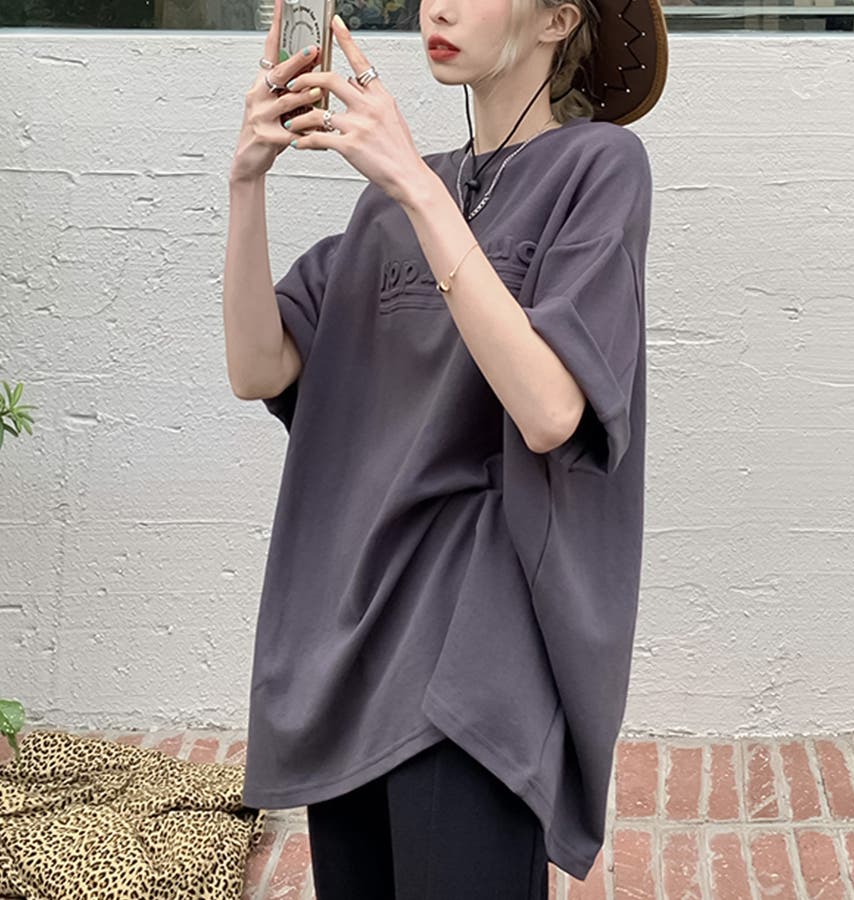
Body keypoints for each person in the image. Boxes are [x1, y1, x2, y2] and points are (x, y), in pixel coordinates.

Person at [223, 0, 668, 897]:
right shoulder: (392, 201)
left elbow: (550, 411)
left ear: (556, 21)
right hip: (351, 649)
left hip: (478, 654)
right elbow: (257, 366)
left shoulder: (598, 166)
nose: (439, 5)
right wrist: (246, 180)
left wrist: (416, 191)